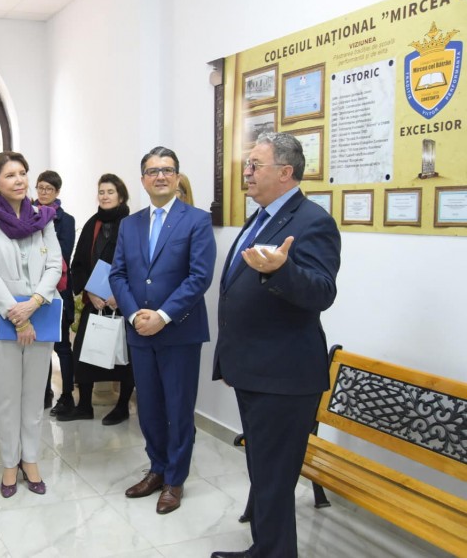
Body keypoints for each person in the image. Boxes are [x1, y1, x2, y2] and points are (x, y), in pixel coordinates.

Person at [210, 132, 340, 558]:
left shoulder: (313, 221)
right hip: (254, 368)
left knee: (274, 477)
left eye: (255, 165)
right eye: (247, 165)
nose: (246, 173)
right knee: (264, 471)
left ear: (285, 172)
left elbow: (321, 292)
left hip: (284, 375)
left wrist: (282, 271)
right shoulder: (261, 217)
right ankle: (267, 547)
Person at [109, 146, 216, 515]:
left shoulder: (196, 221)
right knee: (149, 408)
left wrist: (163, 316)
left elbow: (199, 277)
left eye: (167, 170)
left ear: (177, 177)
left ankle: (175, 479)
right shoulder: (130, 224)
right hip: (140, 331)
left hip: (179, 333)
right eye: (153, 171)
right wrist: (134, 315)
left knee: (178, 409)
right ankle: (157, 468)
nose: (160, 176)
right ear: (142, 180)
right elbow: (118, 274)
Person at [0, 151, 62, 499]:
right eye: (10, 175)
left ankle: (30, 460)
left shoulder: (43, 216)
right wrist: (16, 315)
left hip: (41, 314)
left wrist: (33, 303)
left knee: (35, 395)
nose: (19, 180)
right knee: (7, 396)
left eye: (22, 172)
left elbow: (55, 264)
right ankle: (9, 463)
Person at [59, 173, 133, 425]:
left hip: (122, 302)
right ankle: (84, 406)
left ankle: (122, 407)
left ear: (121, 196)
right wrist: (89, 291)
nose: (105, 196)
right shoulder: (93, 224)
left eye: (110, 192)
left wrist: (119, 295)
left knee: (125, 358)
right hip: (95, 300)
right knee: (83, 353)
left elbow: (138, 264)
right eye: (101, 192)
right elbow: (78, 263)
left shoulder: (132, 224)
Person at [33, 171, 76, 415]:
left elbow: (63, 254)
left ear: (57, 192)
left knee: (61, 346)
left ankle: (67, 396)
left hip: (59, 289)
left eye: (49, 189)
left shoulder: (66, 220)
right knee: (40, 347)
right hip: (33, 290)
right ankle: (43, 392)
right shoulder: (27, 215)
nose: (43, 192)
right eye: (40, 187)